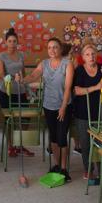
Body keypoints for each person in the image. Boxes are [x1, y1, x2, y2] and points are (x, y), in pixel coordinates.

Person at [17, 37, 74, 181]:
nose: (52, 50)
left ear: (60, 49)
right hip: (48, 106)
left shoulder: (68, 64)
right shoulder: (44, 63)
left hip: (64, 106)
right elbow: (33, 76)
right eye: (49, 48)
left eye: (55, 47)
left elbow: (68, 88)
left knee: (62, 138)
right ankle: (56, 164)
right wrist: (22, 80)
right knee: (53, 138)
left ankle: (63, 168)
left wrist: (63, 107)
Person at [73, 44, 102, 183]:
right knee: (86, 144)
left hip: (100, 112)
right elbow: (76, 90)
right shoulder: (79, 70)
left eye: (93, 54)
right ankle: (88, 170)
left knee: (101, 143)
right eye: (88, 54)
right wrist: (96, 87)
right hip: (83, 113)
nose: (91, 57)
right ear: (83, 57)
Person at [0, 28, 33, 158]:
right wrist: (12, 78)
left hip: (21, 91)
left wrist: (27, 87)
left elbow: (24, 72)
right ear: (6, 42)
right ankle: (11, 146)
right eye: (10, 41)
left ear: (17, 42)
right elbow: (1, 74)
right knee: (9, 120)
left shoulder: (21, 55)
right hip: (7, 91)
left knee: (25, 118)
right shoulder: (1, 56)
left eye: (14, 41)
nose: (12, 43)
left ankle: (20, 145)